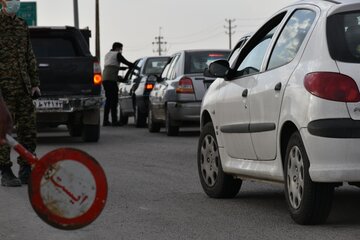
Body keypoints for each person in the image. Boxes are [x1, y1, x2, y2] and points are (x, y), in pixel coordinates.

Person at [0, 0, 40, 186]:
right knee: (4, 130)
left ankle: (26, 168)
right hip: (3, 88)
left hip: (23, 86)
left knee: (28, 128)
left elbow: (28, 55)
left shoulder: (21, 24)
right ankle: (5, 171)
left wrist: (34, 83)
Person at [102, 42, 136, 126]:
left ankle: (105, 121)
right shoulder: (117, 54)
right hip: (111, 80)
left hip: (105, 79)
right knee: (114, 100)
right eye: (121, 48)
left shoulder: (107, 54)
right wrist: (133, 65)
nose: (121, 50)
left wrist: (121, 68)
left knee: (109, 100)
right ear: (117, 48)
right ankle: (114, 121)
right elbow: (125, 61)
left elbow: (110, 65)